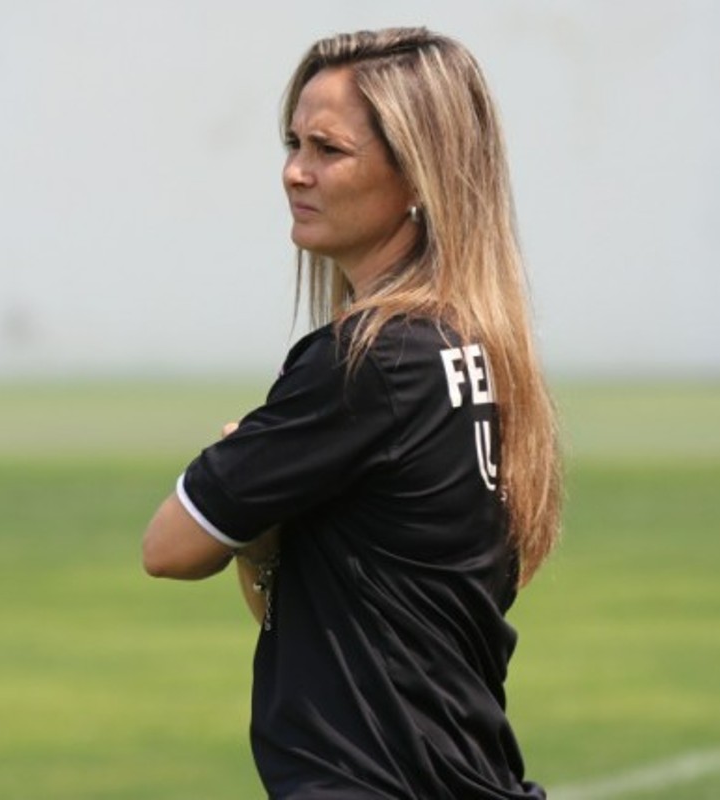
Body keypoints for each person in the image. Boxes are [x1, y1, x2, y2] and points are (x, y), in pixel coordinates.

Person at [142, 26, 562, 799]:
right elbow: (292, 602)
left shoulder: (368, 361)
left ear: (417, 178)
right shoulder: (469, 348)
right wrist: (265, 532)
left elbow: (168, 546)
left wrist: (249, 485)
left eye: (329, 150)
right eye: (293, 142)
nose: (295, 172)